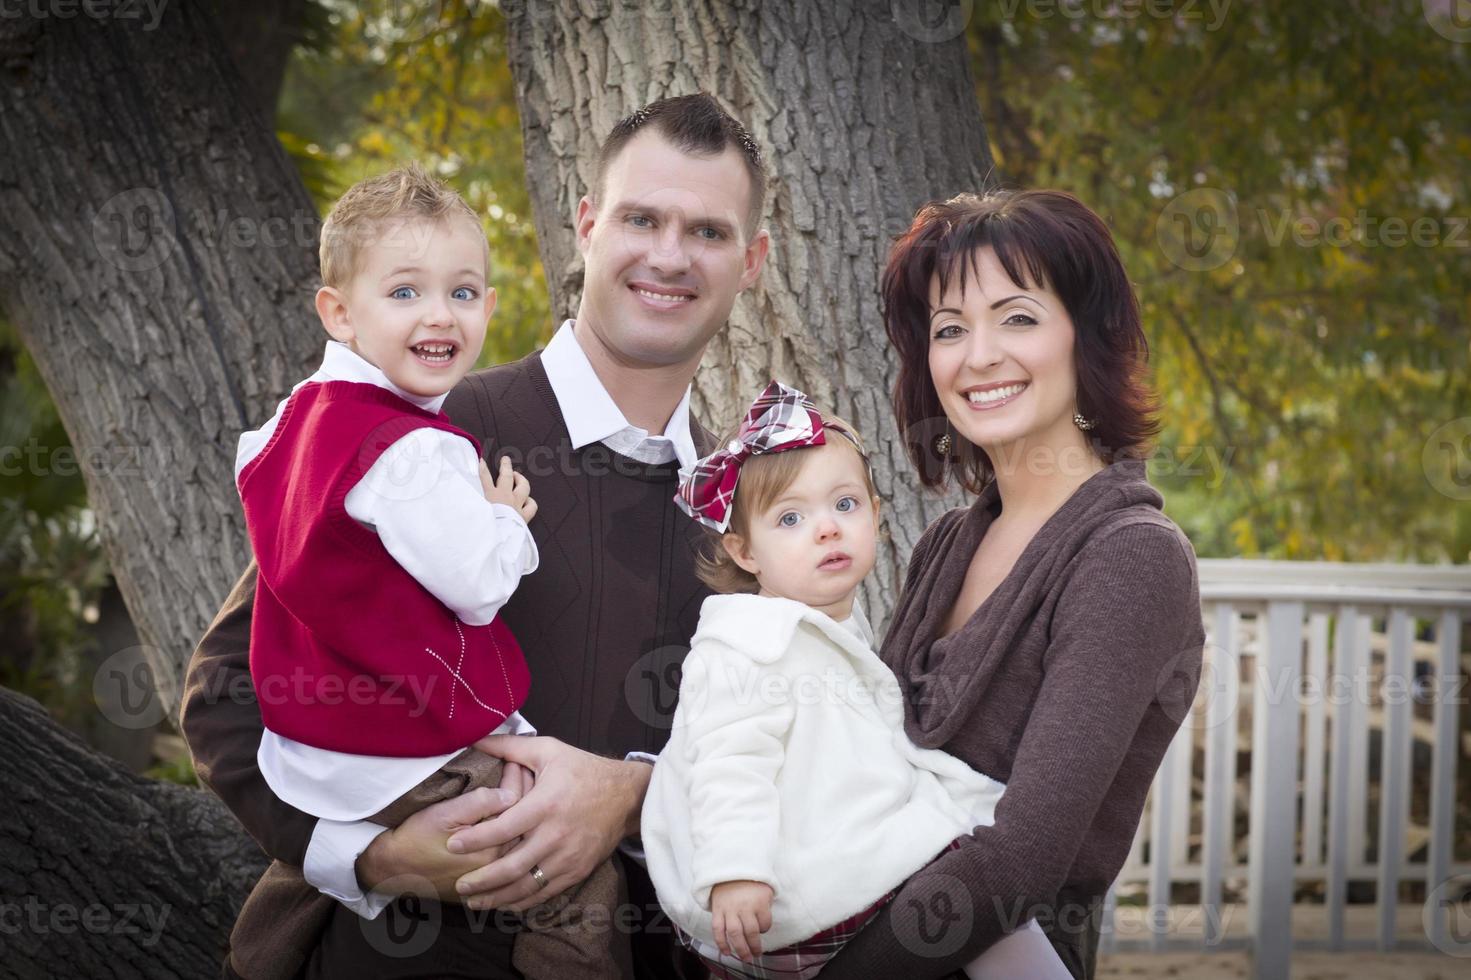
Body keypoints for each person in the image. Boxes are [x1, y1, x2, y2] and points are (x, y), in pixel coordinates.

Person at [179, 92, 770, 979]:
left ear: (752, 260)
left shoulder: (747, 513)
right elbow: (226, 693)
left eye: (708, 232)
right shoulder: (425, 434)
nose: (668, 256)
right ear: (586, 225)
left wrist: (633, 792)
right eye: (641, 218)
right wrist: (375, 859)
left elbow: (770, 758)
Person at [222, 162, 627, 980]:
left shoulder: (286, 428)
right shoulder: (418, 448)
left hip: (311, 747)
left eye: (464, 292)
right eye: (404, 292)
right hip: (403, 748)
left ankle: (258, 957)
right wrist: (505, 523)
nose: (440, 315)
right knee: (579, 879)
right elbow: (477, 587)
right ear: (338, 312)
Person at [816, 189, 1206, 980]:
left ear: (1086, 340)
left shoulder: (1129, 556)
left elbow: (1020, 861)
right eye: (950, 328)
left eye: (1017, 318)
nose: (979, 355)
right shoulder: (947, 543)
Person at [641, 380, 1074, 980]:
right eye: (790, 517)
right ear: (744, 552)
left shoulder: (831, 627)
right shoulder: (744, 643)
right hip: (776, 898)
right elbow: (728, 763)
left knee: (981, 892)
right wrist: (736, 871)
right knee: (980, 884)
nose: (826, 528)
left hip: (827, 879)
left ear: (874, 514)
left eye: (844, 505)